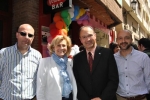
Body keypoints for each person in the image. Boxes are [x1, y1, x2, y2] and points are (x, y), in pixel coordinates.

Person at [73, 26, 119, 100]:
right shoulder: (77, 58)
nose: (87, 39)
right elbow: (76, 82)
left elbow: (113, 79)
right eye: (84, 37)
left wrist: (102, 98)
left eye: (90, 35)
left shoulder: (107, 53)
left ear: (95, 35)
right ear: (80, 40)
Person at [0, 24, 42, 100]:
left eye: (30, 35)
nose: (27, 37)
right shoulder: (4, 53)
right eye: (23, 34)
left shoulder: (37, 55)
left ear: (33, 38)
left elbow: (39, 79)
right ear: (17, 35)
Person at [36, 35, 77, 100]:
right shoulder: (45, 62)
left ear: (67, 48)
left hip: (70, 97)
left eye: (64, 45)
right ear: (53, 47)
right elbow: (41, 87)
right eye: (58, 45)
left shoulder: (70, 62)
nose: (61, 48)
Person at [114, 30, 150, 100]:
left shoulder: (143, 57)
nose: (123, 41)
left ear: (131, 40)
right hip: (120, 98)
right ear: (117, 40)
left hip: (140, 98)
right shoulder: (113, 58)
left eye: (127, 38)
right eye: (120, 38)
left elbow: (148, 79)